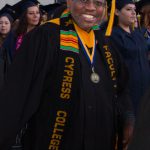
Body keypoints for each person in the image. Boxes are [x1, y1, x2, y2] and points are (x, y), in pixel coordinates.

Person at [0, 0, 134, 149]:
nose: (91, 7)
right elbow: (16, 95)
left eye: (98, 3)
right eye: (84, 1)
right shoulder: (45, 37)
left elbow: (121, 89)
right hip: (58, 141)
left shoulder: (105, 43)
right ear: (69, 2)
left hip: (101, 140)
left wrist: (128, 117)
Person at [111, 0, 150, 115]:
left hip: (145, 88)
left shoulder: (138, 34)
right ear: (117, 12)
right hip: (128, 91)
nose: (133, 13)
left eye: (134, 9)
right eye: (128, 9)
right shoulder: (112, 36)